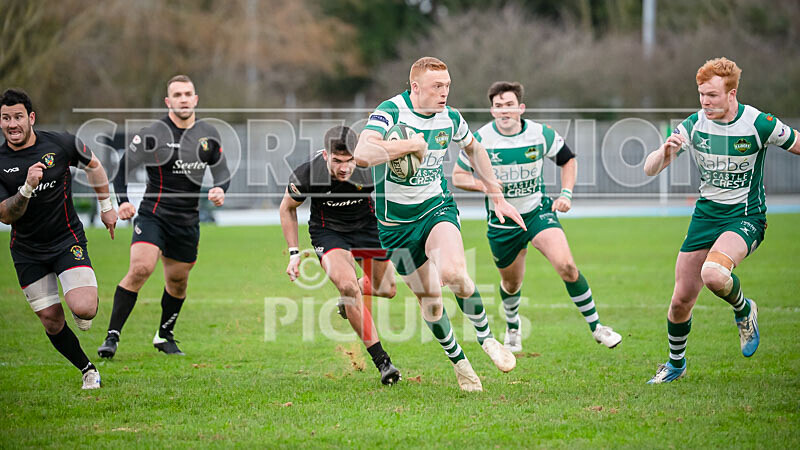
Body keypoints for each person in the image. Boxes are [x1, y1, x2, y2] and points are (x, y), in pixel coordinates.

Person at [354, 57, 524, 391]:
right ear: (415, 87)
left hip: (436, 208)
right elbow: (362, 153)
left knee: (454, 273)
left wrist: (496, 193)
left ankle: (487, 338)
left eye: (447, 86)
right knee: (430, 301)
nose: (444, 92)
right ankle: (460, 363)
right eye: (437, 86)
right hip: (394, 226)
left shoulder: (451, 117)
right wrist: (410, 145)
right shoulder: (389, 111)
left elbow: (475, 149)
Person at [643, 57, 799, 383]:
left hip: (745, 217)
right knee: (680, 300)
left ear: (732, 94)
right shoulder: (694, 124)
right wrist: (666, 153)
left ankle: (744, 310)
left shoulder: (758, 123)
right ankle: (675, 364)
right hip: (705, 216)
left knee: (713, 274)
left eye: (712, 95)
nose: (705, 102)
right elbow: (650, 169)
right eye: (701, 94)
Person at [452, 81, 622, 353]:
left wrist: (566, 193)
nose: (504, 111)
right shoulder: (480, 139)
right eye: (498, 107)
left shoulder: (540, 134)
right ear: (492, 111)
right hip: (502, 221)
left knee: (567, 266)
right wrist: (485, 185)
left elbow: (568, 159)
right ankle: (513, 327)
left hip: (538, 211)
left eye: (509, 105)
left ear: (521, 108)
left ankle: (598, 327)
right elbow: (459, 176)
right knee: (511, 282)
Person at [98, 75, 230, 358]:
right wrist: (122, 202)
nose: (183, 99)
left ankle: (164, 336)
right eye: (177, 95)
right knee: (141, 268)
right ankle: (112, 336)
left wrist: (220, 188)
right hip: (153, 215)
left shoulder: (208, 135)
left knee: (178, 282)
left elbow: (222, 172)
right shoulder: (153, 133)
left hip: (187, 221)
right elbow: (122, 169)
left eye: (188, 94)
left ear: (195, 99)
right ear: (168, 101)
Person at [0, 88, 118, 389]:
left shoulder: (61, 143)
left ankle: (80, 304)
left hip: (67, 240)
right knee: (52, 320)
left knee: (85, 308)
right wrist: (26, 188)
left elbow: (94, 165)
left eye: (17, 117)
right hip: (27, 251)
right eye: (5, 118)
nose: (12, 124)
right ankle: (88, 369)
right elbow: (5, 215)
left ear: (31, 118)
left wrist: (106, 208)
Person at [280, 125, 401, 385]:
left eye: (350, 161)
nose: (345, 168)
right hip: (329, 231)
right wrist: (293, 253)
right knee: (347, 286)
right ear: (326, 155)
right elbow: (287, 209)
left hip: (368, 228)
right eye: (337, 161)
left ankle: (349, 299)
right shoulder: (309, 173)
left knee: (387, 289)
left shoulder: (370, 166)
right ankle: (383, 362)